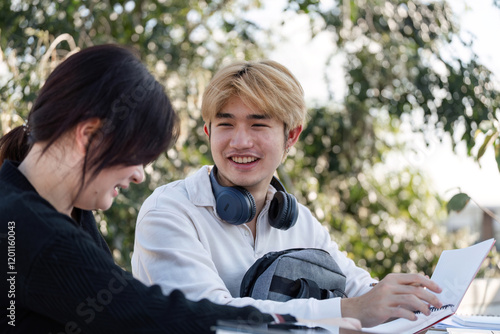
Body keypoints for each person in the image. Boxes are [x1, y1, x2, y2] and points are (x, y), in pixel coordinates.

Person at [0, 45, 343, 334]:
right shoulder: (29, 229)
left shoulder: (68, 215)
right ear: (89, 136)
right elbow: (149, 314)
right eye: (137, 155)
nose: (138, 175)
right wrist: (311, 325)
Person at [131, 59, 444, 328]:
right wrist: (351, 310)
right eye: (226, 124)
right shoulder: (169, 212)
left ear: (291, 136)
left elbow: (358, 286)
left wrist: (404, 300)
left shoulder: (300, 222)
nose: (240, 141)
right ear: (209, 132)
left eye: (258, 125)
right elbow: (212, 317)